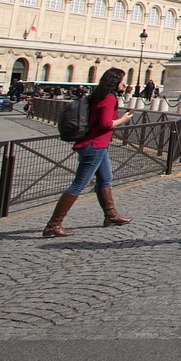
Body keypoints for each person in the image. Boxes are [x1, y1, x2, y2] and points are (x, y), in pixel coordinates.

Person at [42, 67, 135, 237]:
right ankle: (53, 225)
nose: (125, 83)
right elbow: (105, 124)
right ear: (116, 82)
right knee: (79, 184)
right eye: (123, 80)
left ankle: (110, 215)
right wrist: (123, 119)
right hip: (95, 145)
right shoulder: (109, 98)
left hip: (96, 145)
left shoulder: (97, 96)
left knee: (105, 178)